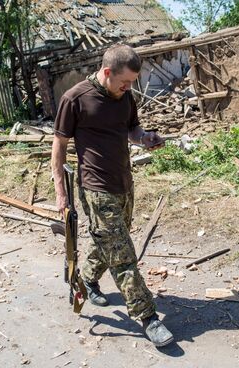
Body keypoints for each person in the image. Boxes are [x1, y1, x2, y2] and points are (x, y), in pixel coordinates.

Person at [51, 44, 174, 347]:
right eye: (125, 82)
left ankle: (87, 278)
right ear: (107, 72)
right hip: (95, 187)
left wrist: (146, 139)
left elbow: (133, 130)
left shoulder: (125, 97)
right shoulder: (75, 99)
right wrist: (61, 195)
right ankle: (147, 316)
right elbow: (58, 149)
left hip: (124, 182)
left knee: (109, 240)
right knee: (122, 254)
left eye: (132, 82)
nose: (129, 87)